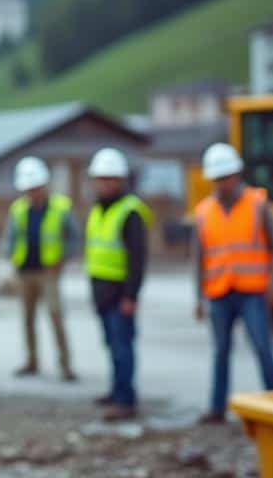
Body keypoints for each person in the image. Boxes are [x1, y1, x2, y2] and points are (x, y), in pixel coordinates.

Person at [192, 142, 273, 424]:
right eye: (218, 179)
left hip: (252, 291)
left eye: (226, 177)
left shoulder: (258, 204)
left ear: (237, 174)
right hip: (219, 292)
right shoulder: (203, 212)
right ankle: (217, 407)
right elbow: (197, 258)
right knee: (220, 351)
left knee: (262, 347)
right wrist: (197, 298)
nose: (223, 183)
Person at [85, 148, 152, 422]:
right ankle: (116, 391)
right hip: (101, 291)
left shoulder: (130, 212)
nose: (106, 183)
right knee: (112, 345)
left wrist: (131, 296)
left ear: (121, 179)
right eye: (102, 179)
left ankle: (126, 400)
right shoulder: (98, 210)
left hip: (120, 293)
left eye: (111, 179)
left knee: (123, 346)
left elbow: (138, 259)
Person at [0, 156, 79, 381]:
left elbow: (74, 238)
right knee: (27, 318)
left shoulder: (61, 207)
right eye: (28, 189)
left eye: (35, 188)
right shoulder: (18, 210)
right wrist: (11, 257)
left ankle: (65, 364)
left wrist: (62, 259)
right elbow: (9, 238)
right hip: (24, 272)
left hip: (49, 272)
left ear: (44, 186)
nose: (32, 193)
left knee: (55, 315)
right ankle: (31, 361)